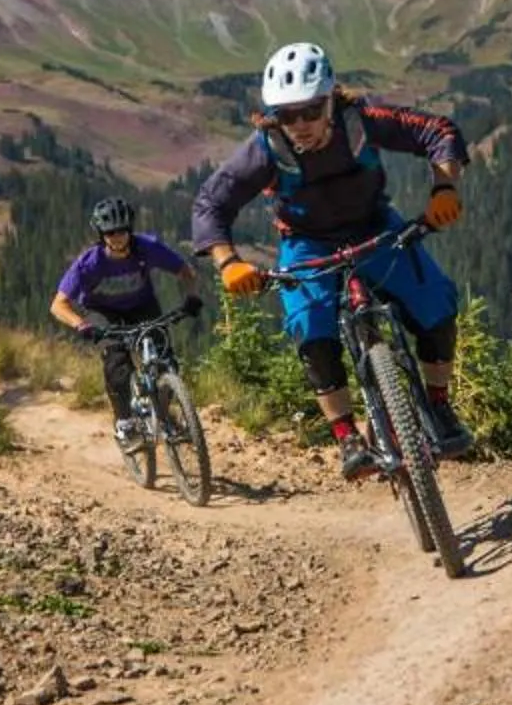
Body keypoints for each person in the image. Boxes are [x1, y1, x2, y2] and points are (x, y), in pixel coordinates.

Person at [191, 41, 470, 483]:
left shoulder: (361, 123)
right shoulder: (266, 148)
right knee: (311, 330)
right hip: (306, 245)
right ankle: (347, 436)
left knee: (435, 305)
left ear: (330, 99)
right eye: (286, 114)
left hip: (375, 228)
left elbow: (438, 132)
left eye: (310, 110)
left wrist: (444, 188)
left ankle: (438, 405)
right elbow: (211, 203)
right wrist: (228, 262)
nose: (299, 124)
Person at [50, 197, 202, 445]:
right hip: (102, 311)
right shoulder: (89, 263)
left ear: (130, 229)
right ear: (101, 234)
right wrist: (81, 325)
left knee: (166, 360)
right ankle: (125, 423)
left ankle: (163, 415)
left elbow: (185, 270)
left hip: (142, 305)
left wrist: (192, 297)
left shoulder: (147, 248)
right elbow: (58, 305)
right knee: (117, 362)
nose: (117, 237)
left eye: (121, 231)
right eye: (110, 232)